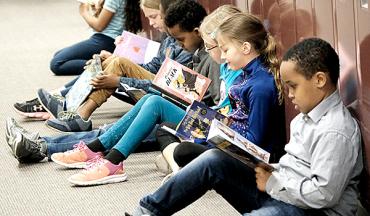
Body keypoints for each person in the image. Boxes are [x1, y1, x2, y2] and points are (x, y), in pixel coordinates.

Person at [131, 37, 363, 216]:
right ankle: (149, 210)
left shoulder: (335, 130)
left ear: (319, 80)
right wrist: (266, 168)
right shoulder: (306, 115)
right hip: (282, 192)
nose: (289, 95)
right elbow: (294, 168)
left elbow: (324, 195)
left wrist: (272, 182)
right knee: (214, 159)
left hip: (313, 211)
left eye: (293, 86)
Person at [155, 7, 286, 181]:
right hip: (230, 139)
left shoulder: (260, 86)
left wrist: (215, 135)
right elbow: (234, 118)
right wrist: (209, 131)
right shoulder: (246, 76)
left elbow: (255, 143)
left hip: (251, 160)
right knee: (173, 136)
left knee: (183, 151)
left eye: (226, 50)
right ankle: (185, 169)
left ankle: (182, 170)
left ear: (245, 47)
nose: (223, 57)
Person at [13, 0, 193, 126]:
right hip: (154, 86)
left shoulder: (185, 49)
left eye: (154, 17)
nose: (151, 23)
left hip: (166, 97)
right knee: (110, 61)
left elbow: (169, 89)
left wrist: (120, 81)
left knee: (62, 62)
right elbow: (154, 68)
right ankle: (72, 107)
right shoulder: (168, 39)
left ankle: (72, 108)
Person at [50, 0, 142, 76]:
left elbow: (99, 26)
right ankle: (104, 62)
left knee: (57, 63)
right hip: (111, 41)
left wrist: (84, 12)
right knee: (58, 55)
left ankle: (108, 65)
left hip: (105, 40)